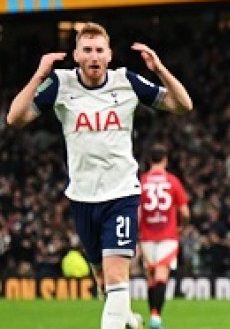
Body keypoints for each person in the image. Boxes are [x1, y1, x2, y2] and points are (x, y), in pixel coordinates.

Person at [5, 22, 193, 329]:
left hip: (121, 194)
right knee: (105, 282)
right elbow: (15, 118)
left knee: (117, 277)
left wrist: (159, 69)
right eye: (87, 50)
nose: (94, 56)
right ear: (77, 55)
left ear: (109, 55)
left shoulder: (126, 81)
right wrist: (39, 76)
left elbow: (183, 106)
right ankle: (128, 319)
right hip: (83, 197)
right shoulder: (60, 84)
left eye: (99, 50)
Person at [138, 145, 190, 329]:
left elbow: (137, 213)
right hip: (168, 235)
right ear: (165, 160)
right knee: (161, 275)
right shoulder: (173, 181)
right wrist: (182, 227)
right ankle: (156, 317)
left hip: (146, 236)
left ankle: (153, 315)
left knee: (151, 278)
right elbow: (185, 212)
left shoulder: (142, 182)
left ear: (149, 160)